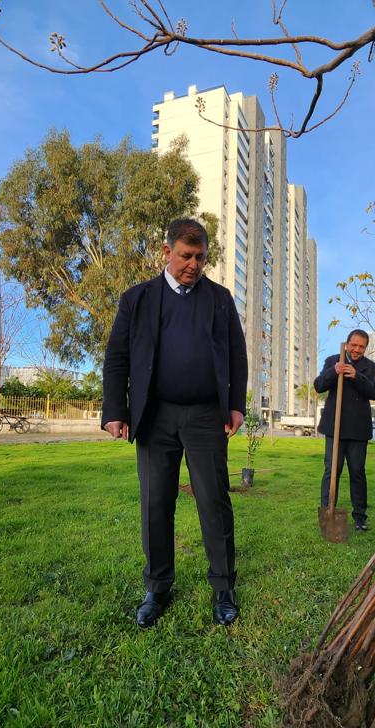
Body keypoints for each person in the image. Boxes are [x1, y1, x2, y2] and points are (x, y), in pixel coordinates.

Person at [102, 218, 249, 629]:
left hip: (205, 416)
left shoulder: (220, 300)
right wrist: (115, 410)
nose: (193, 265)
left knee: (213, 501)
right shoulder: (137, 299)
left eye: (200, 257)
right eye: (186, 256)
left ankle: (223, 587)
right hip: (155, 415)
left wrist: (236, 405)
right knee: (156, 502)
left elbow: (237, 355)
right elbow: (117, 357)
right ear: (167, 252)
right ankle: (157, 587)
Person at [313, 329, 375, 531]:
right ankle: (327, 511)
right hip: (334, 428)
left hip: (358, 430)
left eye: (361, 346)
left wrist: (356, 376)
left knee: (357, 472)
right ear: (347, 344)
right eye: (354, 345)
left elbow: (374, 393)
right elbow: (319, 386)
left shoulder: (371, 368)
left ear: (365, 348)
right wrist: (334, 371)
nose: (357, 349)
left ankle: (360, 517)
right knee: (331, 471)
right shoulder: (333, 360)